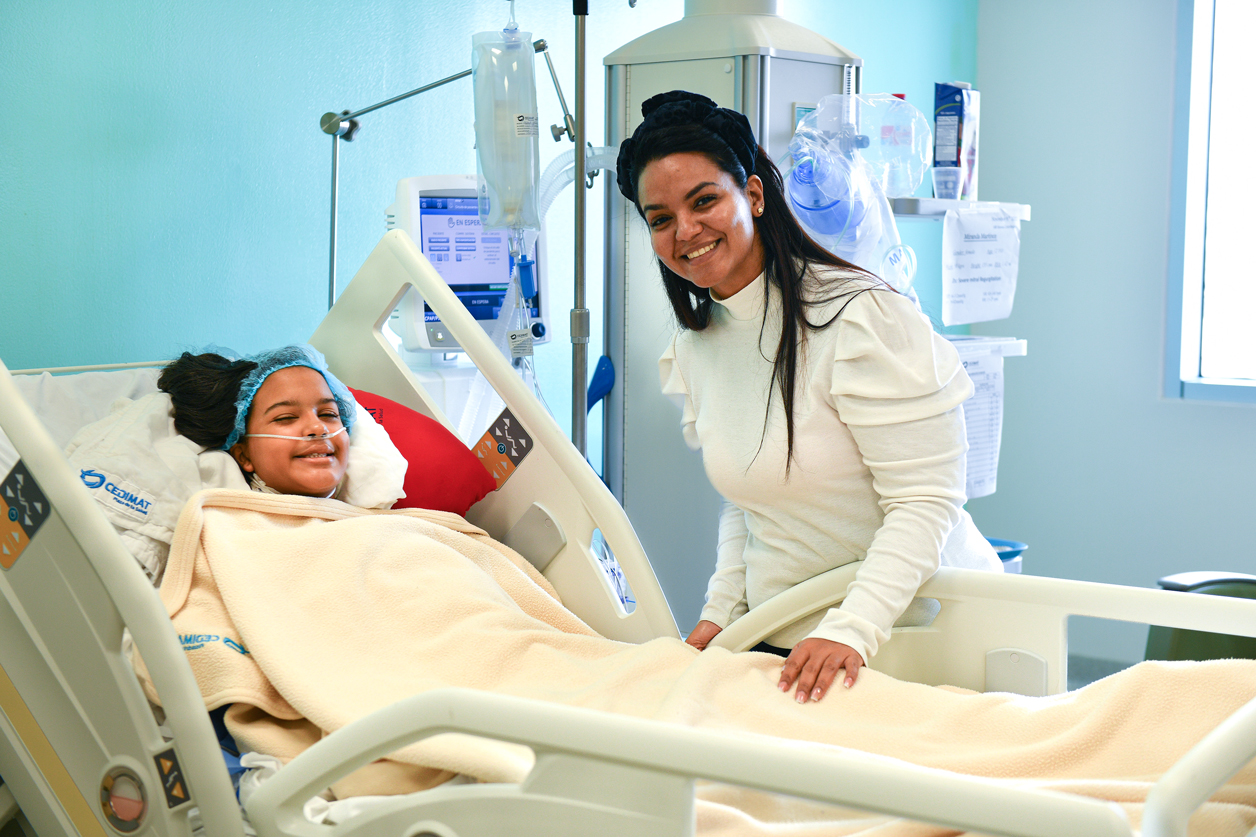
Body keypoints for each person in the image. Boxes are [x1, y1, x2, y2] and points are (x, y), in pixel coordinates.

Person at [616, 90, 1002, 704]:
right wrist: (723, 612)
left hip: (914, 637)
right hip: (789, 643)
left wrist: (852, 630)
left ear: (754, 194)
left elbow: (926, 501)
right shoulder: (698, 349)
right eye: (660, 218)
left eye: (704, 200)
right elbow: (753, 502)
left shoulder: (858, 317)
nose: (685, 230)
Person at [158, 344, 357, 499]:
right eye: (286, 418)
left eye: (328, 414)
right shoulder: (225, 532)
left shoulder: (379, 523)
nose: (318, 427)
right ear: (244, 456)